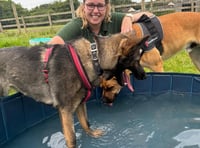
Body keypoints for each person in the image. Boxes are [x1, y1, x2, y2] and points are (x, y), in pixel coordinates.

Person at [48, 0, 153, 45]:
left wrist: (129, 17)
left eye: (100, 5)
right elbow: (52, 45)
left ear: (106, 7)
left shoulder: (112, 19)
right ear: (83, 6)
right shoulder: (77, 25)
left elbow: (149, 15)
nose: (95, 11)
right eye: (90, 5)